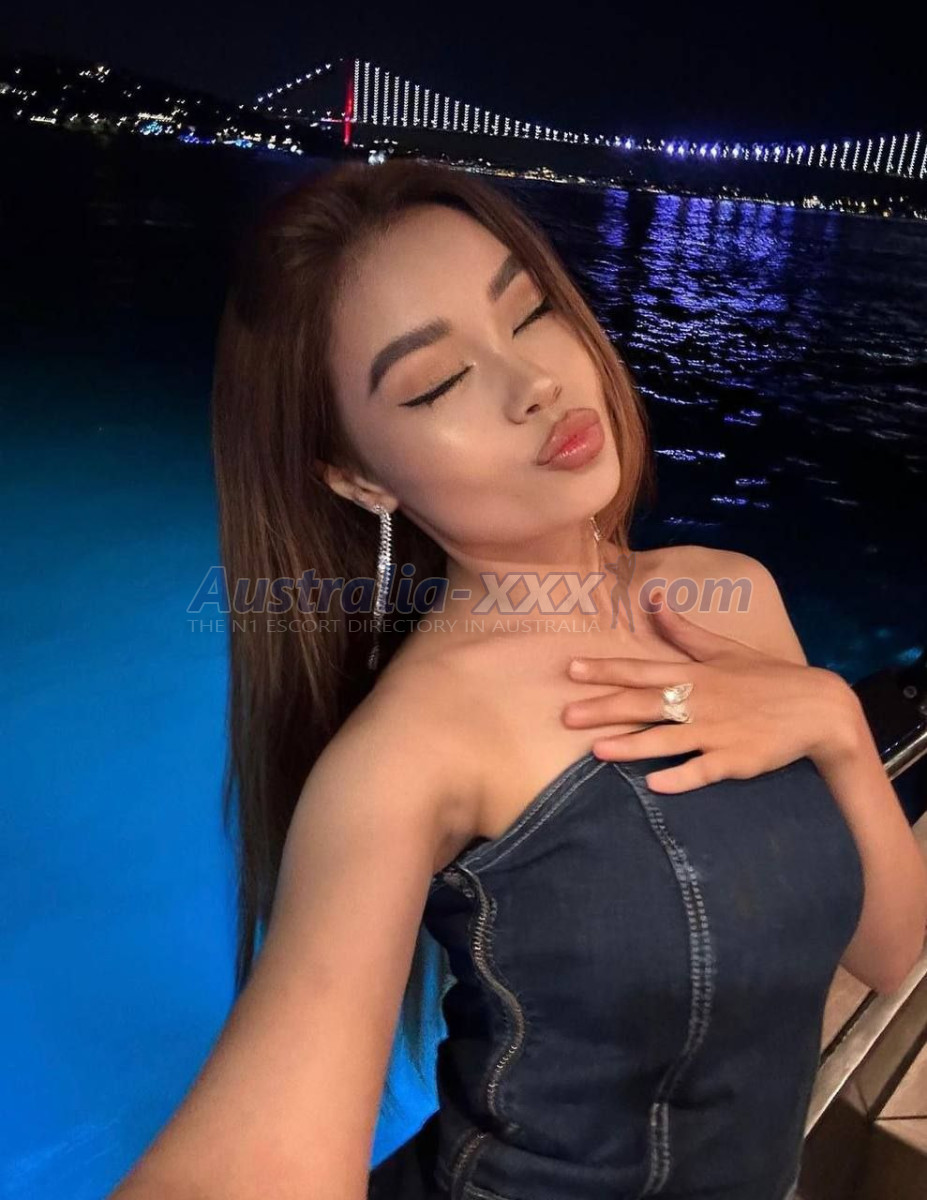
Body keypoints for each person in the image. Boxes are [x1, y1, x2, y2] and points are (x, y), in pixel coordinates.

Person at [108, 159, 927, 1200]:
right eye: (436, 382)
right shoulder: (413, 747)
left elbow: (891, 953)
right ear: (359, 477)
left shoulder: (732, 595)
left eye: (531, 312)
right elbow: (258, 1161)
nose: (533, 381)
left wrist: (836, 726)